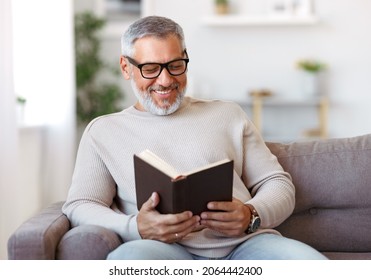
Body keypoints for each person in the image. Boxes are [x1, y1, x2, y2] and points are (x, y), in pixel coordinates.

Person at [62, 16, 327, 260]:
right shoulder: (103, 131)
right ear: (126, 67)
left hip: (245, 245)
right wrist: (135, 227)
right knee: (127, 260)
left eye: (176, 65)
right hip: (161, 249)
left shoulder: (227, 113)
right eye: (151, 68)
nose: (165, 80)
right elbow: (81, 204)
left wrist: (250, 214)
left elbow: (277, 183)